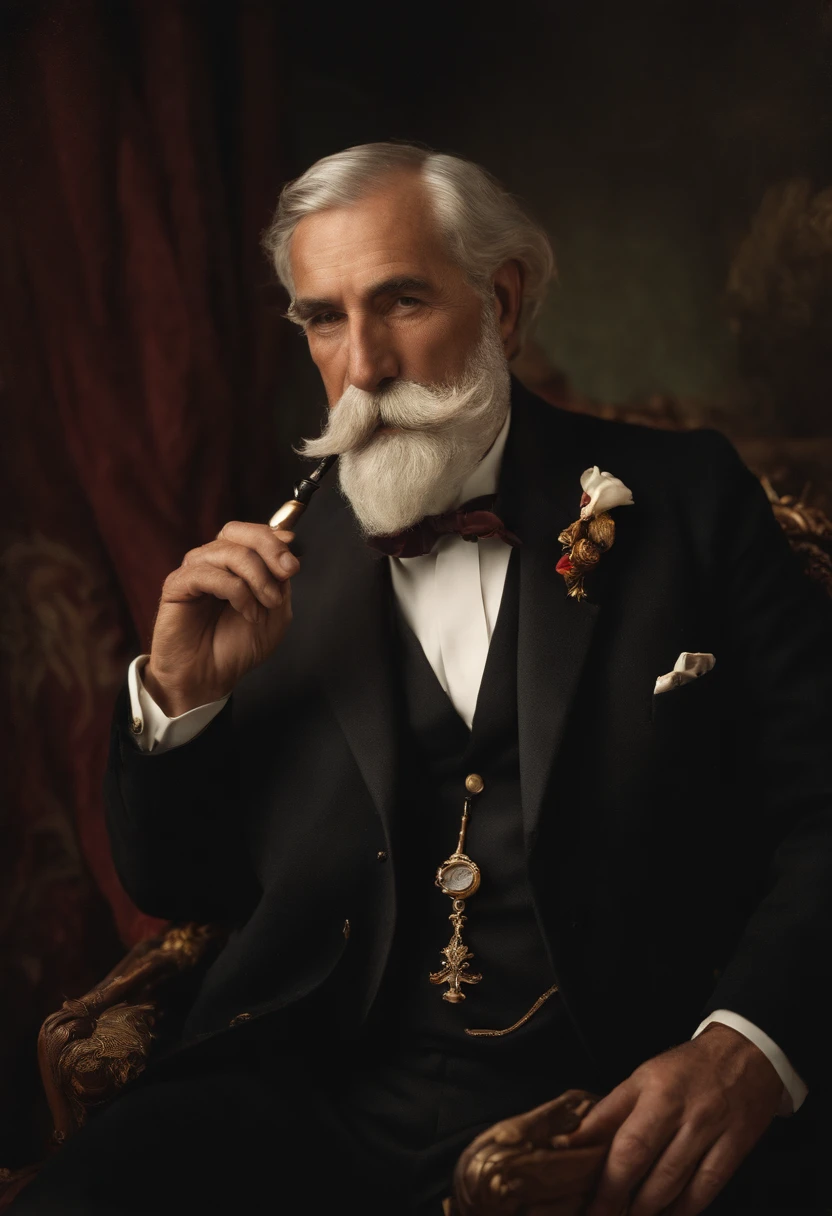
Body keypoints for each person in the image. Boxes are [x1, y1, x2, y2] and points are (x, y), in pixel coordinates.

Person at [15, 142, 832, 1216]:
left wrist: (744, 1048)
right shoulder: (267, 565)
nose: (363, 365)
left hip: (616, 1092)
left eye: (400, 301)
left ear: (502, 299)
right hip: (313, 1089)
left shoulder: (692, 501)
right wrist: (178, 698)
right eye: (322, 317)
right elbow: (183, 886)